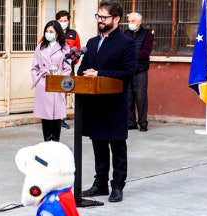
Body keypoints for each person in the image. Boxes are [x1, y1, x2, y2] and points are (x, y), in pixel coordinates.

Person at [77, 0, 138, 202]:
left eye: (104, 17)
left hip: (115, 104)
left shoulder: (126, 43)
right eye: (98, 16)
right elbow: (82, 68)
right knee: (99, 145)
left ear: (117, 19)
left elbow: (128, 73)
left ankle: (117, 185)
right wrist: (84, 74)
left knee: (117, 146)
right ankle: (100, 183)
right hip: (95, 104)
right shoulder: (92, 43)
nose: (100, 20)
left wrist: (100, 73)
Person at [30, 20, 71, 142]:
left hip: (57, 83)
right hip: (44, 83)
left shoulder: (64, 48)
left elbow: (67, 68)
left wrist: (60, 79)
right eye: (47, 31)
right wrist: (38, 81)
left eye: (51, 31)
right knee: (45, 116)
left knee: (56, 116)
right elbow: (34, 67)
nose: (49, 34)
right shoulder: (40, 47)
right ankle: (46, 142)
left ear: (57, 33)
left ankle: (56, 142)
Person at [124, 12, 154, 132]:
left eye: (132, 21)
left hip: (141, 69)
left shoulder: (147, 34)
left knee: (141, 96)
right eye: (129, 21)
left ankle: (143, 122)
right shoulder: (125, 34)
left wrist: (130, 56)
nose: (130, 24)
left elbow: (145, 52)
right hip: (128, 70)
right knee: (129, 96)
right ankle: (131, 122)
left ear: (139, 22)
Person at [56, 10, 82, 130]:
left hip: (67, 68)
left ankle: (61, 118)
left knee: (64, 92)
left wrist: (73, 62)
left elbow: (78, 50)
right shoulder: (51, 32)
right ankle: (52, 117)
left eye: (65, 20)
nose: (63, 23)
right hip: (54, 69)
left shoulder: (73, 34)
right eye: (60, 21)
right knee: (53, 92)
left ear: (68, 21)